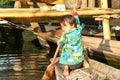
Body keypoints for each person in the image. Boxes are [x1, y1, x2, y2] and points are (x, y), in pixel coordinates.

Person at [57, 3, 89, 76]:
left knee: (64, 54)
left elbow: (60, 43)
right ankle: (84, 61)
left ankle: (66, 68)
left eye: (65, 26)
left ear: (72, 25)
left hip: (71, 64)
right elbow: (77, 20)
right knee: (81, 50)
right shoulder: (79, 29)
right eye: (62, 27)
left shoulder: (65, 35)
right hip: (79, 60)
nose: (63, 28)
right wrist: (75, 11)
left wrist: (59, 42)